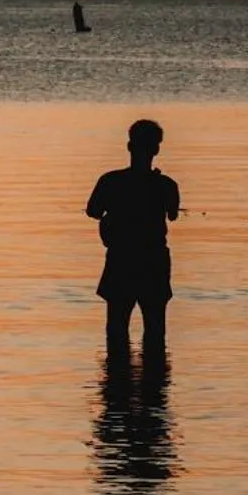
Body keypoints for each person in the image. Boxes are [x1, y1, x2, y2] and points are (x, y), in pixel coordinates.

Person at [86, 119, 180, 357]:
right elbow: (173, 215)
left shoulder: (110, 181)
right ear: (157, 149)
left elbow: (93, 211)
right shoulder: (167, 185)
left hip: (122, 258)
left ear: (129, 146)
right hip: (154, 259)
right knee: (155, 328)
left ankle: (117, 381)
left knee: (116, 327)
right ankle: (154, 384)